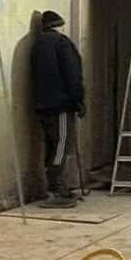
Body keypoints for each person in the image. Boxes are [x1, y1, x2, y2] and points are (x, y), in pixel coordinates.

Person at [30, 11, 85, 204]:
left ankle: (53, 185)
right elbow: (73, 74)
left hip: (41, 105)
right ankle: (56, 187)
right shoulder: (62, 43)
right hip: (60, 105)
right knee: (62, 145)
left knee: (51, 145)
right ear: (60, 25)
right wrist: (79, 101)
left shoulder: (37, 45)